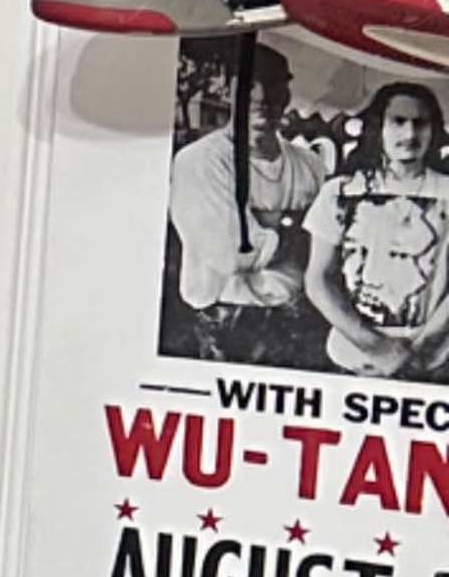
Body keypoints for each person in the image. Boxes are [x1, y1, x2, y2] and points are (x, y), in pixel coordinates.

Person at [167, 45, 332, 335]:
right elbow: (233, 253)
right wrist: (300, 231)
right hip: (225, 320)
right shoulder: (198, 160)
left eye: (273, 84)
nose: (262, 96)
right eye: (249, 84)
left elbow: (329, 249)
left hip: (298, 318)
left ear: (287, 94)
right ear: (228, 91)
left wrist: (267, 225)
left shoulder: (311, 165)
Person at [303, 79, 449, 374]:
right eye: (398, 122)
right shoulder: (340, 191)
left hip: (433, 359)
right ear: (378, 127)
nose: (410, 134)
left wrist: (420, 348)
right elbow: (319, 279)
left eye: (420, 123)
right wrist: (375, 346)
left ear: (434, 130)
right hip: (351, 355)